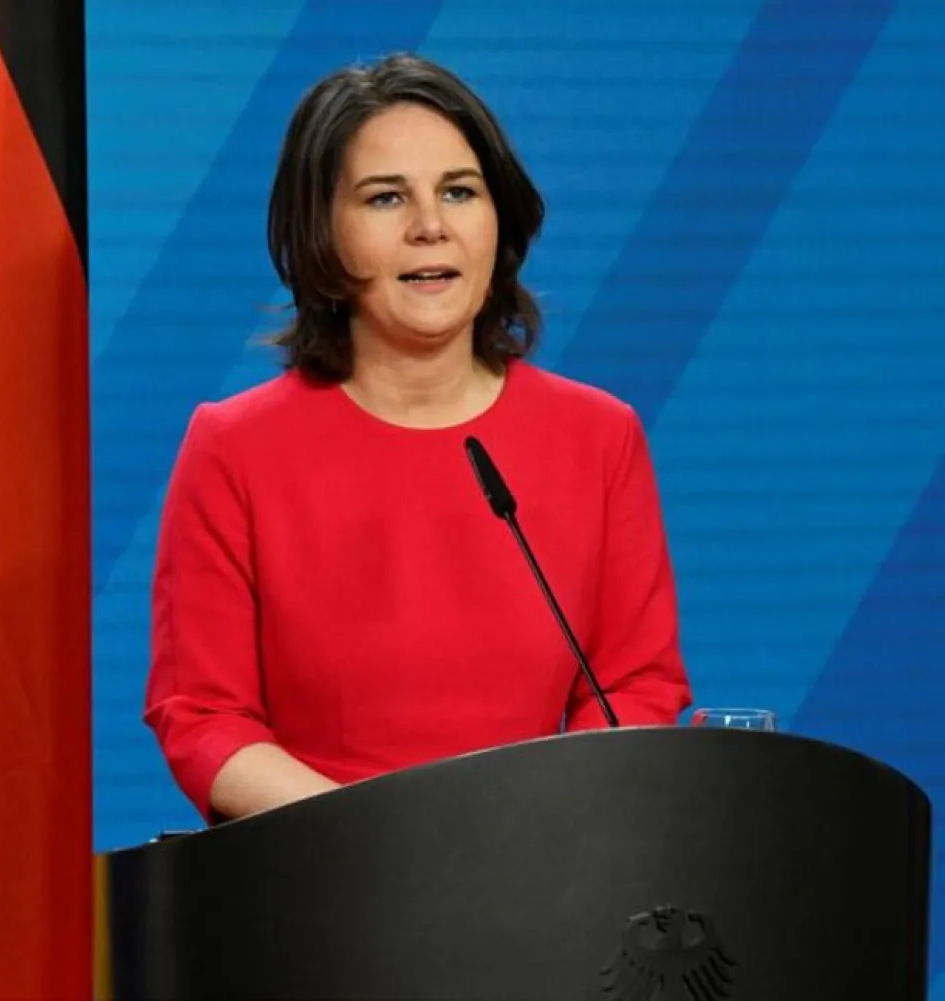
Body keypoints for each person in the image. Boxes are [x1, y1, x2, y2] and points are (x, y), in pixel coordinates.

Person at [142, 52, 692, 824]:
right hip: (319, 877)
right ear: (322, 233)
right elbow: (202, 715)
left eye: (459, 192)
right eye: (385, 197)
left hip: (542, 872)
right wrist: (382, 843)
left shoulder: (599, 437)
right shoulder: (235, 447)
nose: (430, 226)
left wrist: (546, 821)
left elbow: (637, 685)